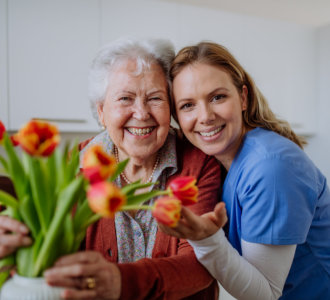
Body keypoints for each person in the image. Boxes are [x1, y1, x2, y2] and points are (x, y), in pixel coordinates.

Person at [0, 38, 222, 299]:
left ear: (170, 108)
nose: (141, 113)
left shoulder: (199, 163)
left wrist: (121, 281)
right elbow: (53, 254)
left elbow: (203, 262)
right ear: (102, 112)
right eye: (125, 98)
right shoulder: (76, 165)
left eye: (155, 98)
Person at [160, 41, 330, 300]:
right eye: (187, 105)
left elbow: (265, 294)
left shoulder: (270, 167)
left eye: (217, 97)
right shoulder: (218, 161)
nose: (205, 116)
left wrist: (206, 240)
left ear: (243, 97)